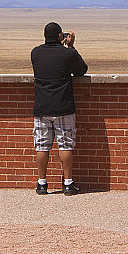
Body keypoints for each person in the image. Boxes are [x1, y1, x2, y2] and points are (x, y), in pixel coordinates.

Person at [30, 22, 88, 196]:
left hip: (42, 106)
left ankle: (42, 184)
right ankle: (68, 184)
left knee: (41, 146)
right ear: (59, 36)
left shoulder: (35, 52)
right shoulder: (67, 53)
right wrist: (70, 47)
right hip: (63, 106)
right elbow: (81, 70)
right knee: (65, 145)